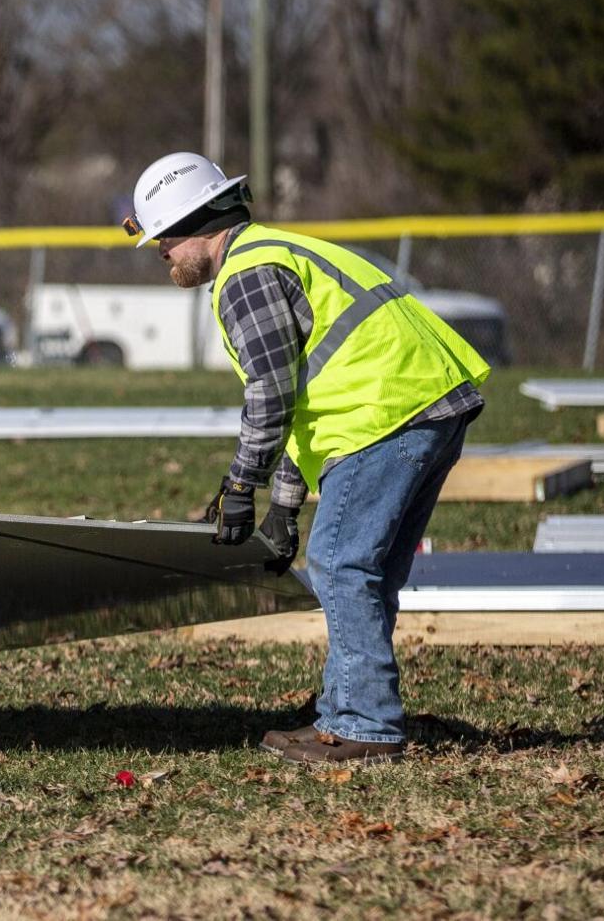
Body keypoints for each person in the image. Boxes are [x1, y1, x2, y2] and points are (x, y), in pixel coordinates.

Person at [123, 152, 489, 764]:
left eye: (165, 235)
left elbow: (271, 393)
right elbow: (305, 396)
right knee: (364, 570)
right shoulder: (275, 250)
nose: (161, 250)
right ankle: (342, 713)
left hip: (386, 412)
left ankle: (365, 726)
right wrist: (285, 508)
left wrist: (242, 486)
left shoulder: (245, 276)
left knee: (343, 565)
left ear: (201, 218)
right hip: (424, 406)